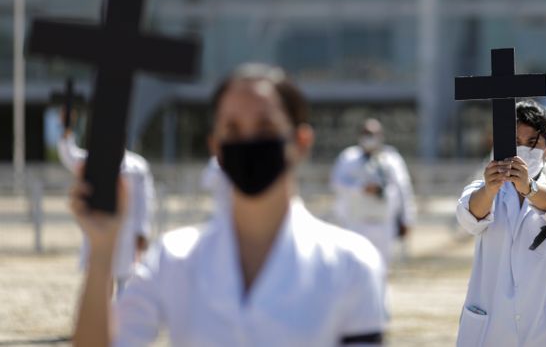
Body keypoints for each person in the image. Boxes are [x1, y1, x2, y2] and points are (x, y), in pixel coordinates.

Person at [70, 63, 386, 346]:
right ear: (216, 147)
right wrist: (102, 252)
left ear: (301, 141)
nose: (248, 141)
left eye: (265, 128)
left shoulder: (351, 263)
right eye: (233, 129)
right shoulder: (174, 259)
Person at [455, 100, 546, 346]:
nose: (522, 150)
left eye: (532, 143)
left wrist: (530, 188)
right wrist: (491, 189)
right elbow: (469, 217)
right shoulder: (482, 190)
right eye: (515, 142)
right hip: (492, 326)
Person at [57, 123, 153, 294]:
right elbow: (68, 154)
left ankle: (122, 319)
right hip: (100, 228)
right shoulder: (92, 161)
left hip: (128, 232)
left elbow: (145, 203)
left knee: (128, 284)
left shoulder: (137, 166)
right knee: (101, 281)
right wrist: (67, 127)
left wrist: (142, 234)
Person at [331, 118, 417, 265]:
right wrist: (360, 189)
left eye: (374, 134)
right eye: (366, 133)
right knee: (355, 268)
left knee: (382, 268)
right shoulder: (348, 158)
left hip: (384, 223)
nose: (370, 138)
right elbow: (337, 184)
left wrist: (407, 219)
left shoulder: (392, 159)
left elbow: (403, 189)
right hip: (356, 222)